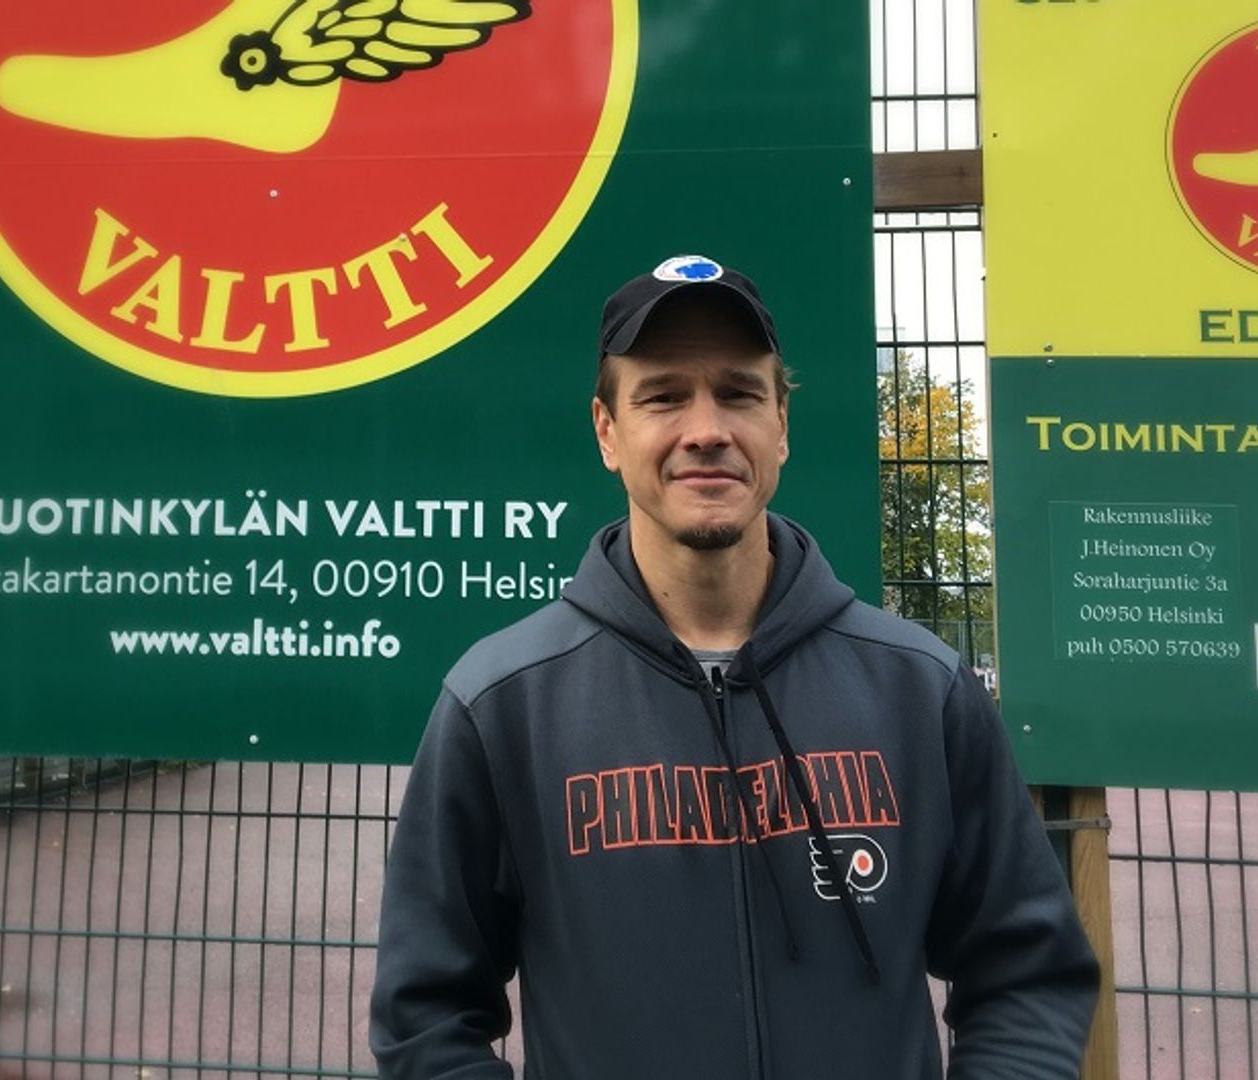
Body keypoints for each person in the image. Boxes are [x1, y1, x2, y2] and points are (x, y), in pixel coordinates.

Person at [368, 255, 1100, 1078]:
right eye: (663, 396)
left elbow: (1026, 972)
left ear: (781, 422)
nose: (706, 429)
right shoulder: (502, 703)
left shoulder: (919, 691)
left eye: (739, 393)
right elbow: (425, 1016)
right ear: (607, 431)